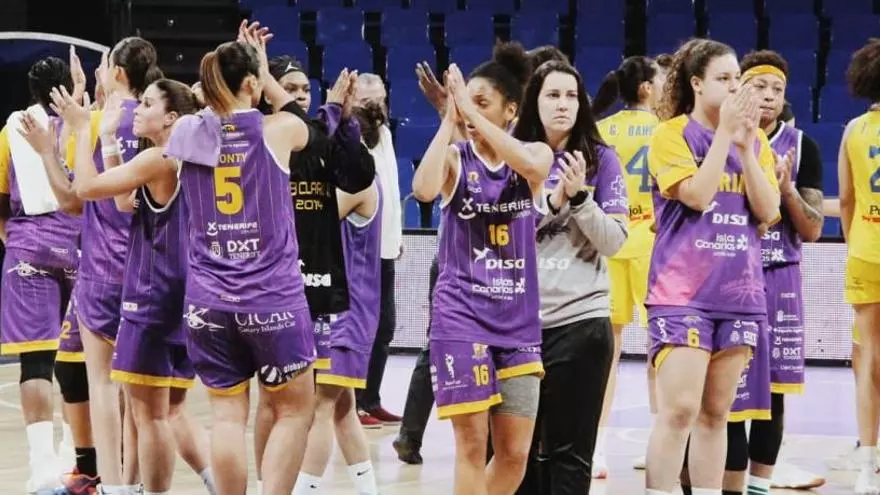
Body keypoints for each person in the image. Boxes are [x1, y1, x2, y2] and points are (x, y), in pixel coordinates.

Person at [165, 21, 313, 495]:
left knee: (227, 416)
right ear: (252, 83)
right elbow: (303, 119)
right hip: (271, 299)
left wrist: (220, 87)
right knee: (294, 411)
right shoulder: (278, 130)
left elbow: (201, 109)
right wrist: (266, 73)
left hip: (207, 302)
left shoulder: (186, 133)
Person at [52, 76, 215, 495]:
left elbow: (86, 189)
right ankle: (214, 485)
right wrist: (108, 138)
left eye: (147, 104)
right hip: (190, 292)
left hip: (153, 295)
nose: (137, 110)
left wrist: (82, 129)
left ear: (171, 117)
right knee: (170, 409)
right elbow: (125, 202)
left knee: (150, 415)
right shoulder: (194, 156)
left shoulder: (160, 158)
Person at [412, 41, 553, 494]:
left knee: (514, 455)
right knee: (471, 446)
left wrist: (465, 110)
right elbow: (423, 190)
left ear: (511, 110)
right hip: (461, 317)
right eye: (465, 99)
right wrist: (449, 120)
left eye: (481, 102)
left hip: (518, 323)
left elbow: (532, 165)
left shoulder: (535, 154)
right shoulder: (457, 158)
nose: (469, 110)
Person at [643, 38, 781, 495]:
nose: (736, 88)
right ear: (696, 84)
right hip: (681, 293)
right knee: (680, 410)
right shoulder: (670, 135)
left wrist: (746, 148)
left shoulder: (756, 140)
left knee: (716, 414)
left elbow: (768, 211)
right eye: (724, 79)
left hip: (739, 292)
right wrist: (725, 135)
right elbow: (699, 196)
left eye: (737, 79)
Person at [251, 56, 376, 493]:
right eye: (291, 88)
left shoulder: (327, 147)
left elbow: (355, 180)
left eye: (306, 89)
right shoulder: (262, 140)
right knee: (283, 402)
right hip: (275, 289)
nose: (301, 96)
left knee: (323, 405)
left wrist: (340, 119)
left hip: (328, 296)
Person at [513, 60, 628, 494]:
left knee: (571, 456)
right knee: (514, 454)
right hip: (516, 325)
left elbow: (614, 242)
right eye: (552, 95)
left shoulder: (602, 159)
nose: (563, 105)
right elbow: (502, 232)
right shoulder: (514, 155)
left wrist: (580, 199)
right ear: (534, 101)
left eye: (571, 96)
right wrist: (553, 202)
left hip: (580, 324)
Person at [721, 50, 826, 495]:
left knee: (774, 392)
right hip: (728, 271)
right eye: (759, 86)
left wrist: (786, 191)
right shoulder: (717, 137)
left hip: (779, 274)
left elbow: (813, 229)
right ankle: (726, 483)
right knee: (726, 389)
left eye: (777, 89)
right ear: (738, 89)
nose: (768, 96)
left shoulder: (802, 146)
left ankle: (760, 485)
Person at [64, 36, 162, 494]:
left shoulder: (96, 121)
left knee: (102, 385)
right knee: (139, 388)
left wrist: (78, 121)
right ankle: (136, 483)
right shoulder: (154, 119)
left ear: (117, 72)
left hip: (102, 268)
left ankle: (114, 484)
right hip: (147, 268)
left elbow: (73, 195)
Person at [0, 54, 83, 493]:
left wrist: (18, 242)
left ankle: (41, 469)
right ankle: (76, 459)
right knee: (79, 362)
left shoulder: (10, 131)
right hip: (81, 250)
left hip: (27, 249)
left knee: (35, 360)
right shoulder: (85, 125)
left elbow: (0, 201)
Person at [590, 55, 668, 479]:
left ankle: (596, 450)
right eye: (661, 80)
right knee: (663, 350)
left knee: (608, 353)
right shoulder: (664, 130)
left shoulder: (601, 129)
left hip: (609, 242)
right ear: (646, 88)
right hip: (652, 243)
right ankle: (664, 445)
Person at [293, 178, 383, 495]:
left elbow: (308, 222)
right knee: (343, 407)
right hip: (325, 305)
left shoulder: (357, 181)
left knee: (320, 405)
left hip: (346, 311)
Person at [838, 38, 880, 495]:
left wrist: (857, 242)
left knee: (869, 357)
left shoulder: (854, 129)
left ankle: (867, 464)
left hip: (867, 249)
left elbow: (847, 198)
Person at [354, 73, 404, 427]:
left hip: (386, 249)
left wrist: (396, 237)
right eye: (366, 100)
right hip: (359, 252)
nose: (375, 107)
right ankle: (352, 404)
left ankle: (371, 400)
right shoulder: (347, 134)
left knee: (385, 328)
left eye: (380, 99)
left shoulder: (385, 133)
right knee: (359, 329)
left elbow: (391, 187)